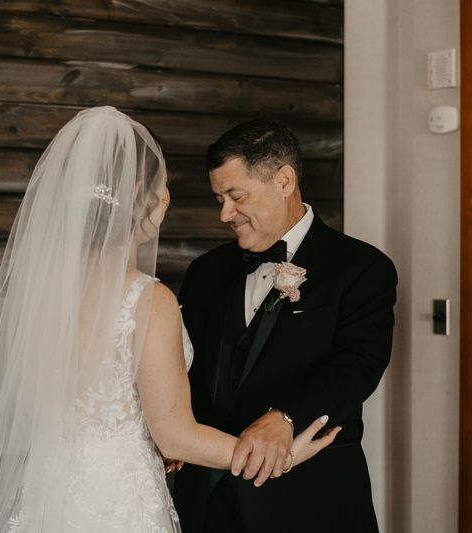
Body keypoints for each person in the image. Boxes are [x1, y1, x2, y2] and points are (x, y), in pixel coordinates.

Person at [0, 107, 339, 533]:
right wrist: (282, 456)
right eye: (164, 182)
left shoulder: (44, 295)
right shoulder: (147, 299)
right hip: (117, 502)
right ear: (139, 193)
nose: (168, 196)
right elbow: (174, 436)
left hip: (48, 494)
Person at [172, 118, 398, 532]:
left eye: (236, 196)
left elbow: (358, 366)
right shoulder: (205, 272)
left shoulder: (362, 268)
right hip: (206, 497)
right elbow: (182, 367)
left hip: (308, 498)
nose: (225, 213)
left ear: (284, 180)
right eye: (219, 198)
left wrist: (286, 417)